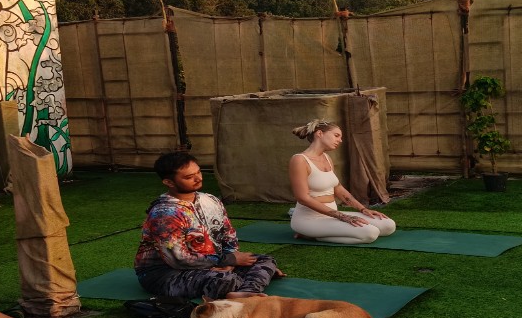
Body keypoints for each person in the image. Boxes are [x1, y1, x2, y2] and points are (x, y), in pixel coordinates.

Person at [135, 151, 280, 303]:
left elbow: (228, 236)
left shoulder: (211, 200)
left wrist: (230, 261)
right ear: (169, 182)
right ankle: (245, 285)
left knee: (264, 260)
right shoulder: (165, 214)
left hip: (212, 264)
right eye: (189, 177)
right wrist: (227, 261)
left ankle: (245, 292)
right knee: (224, 279)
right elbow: (178, 260)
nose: (198, 178)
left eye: (198, 172)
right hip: (166, 274)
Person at [288, 119, 397, 245]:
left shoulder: (326, 158)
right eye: (336, 135)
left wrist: (363, 209)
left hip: (331, 216)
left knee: (388, 225)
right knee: (370, 233)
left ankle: (320, 233)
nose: (340, 140)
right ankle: (311, 235)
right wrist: (343, 217)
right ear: (319, 134)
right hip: (309, 219)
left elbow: (338, 188)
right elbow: (303, 198)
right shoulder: (299, 160)